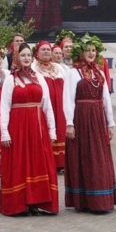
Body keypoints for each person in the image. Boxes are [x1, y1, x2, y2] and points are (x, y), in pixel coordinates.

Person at [0, 44, 58, 216]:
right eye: (23, 55)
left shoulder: (39, 77)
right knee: (20, 163)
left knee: (38, 163)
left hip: (38, 128)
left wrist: (52, 131)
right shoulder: (11, 79)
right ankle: (19, 203)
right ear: (17, 58)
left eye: (28, 55)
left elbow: (47, 106)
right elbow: (4, 107)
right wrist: (4, 132)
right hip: (18, 128)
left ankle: (36, 201)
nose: (26, 58)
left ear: (32, 58)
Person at [63, 34, 116, 213]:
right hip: (82, 117)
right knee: (84, 156)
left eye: (94, 50)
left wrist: (110, 123)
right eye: (87, 50)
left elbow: (106, 99)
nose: (91, 53)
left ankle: (101, 198)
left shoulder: (99, 73)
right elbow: (68, 99)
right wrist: (69, 123)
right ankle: (85, 199)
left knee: (100, 156)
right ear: (81, 52)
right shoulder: (73, 73)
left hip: (98, 118)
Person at [34, 41, 66, 174]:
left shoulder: (60, 68)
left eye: (48, 49)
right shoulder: (33, 68)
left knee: (61, 131)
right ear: (37, 53)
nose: (46, 52)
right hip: (45, 105)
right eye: (43, 50)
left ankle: (62, 163)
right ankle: (48, 161)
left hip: (60, 106)